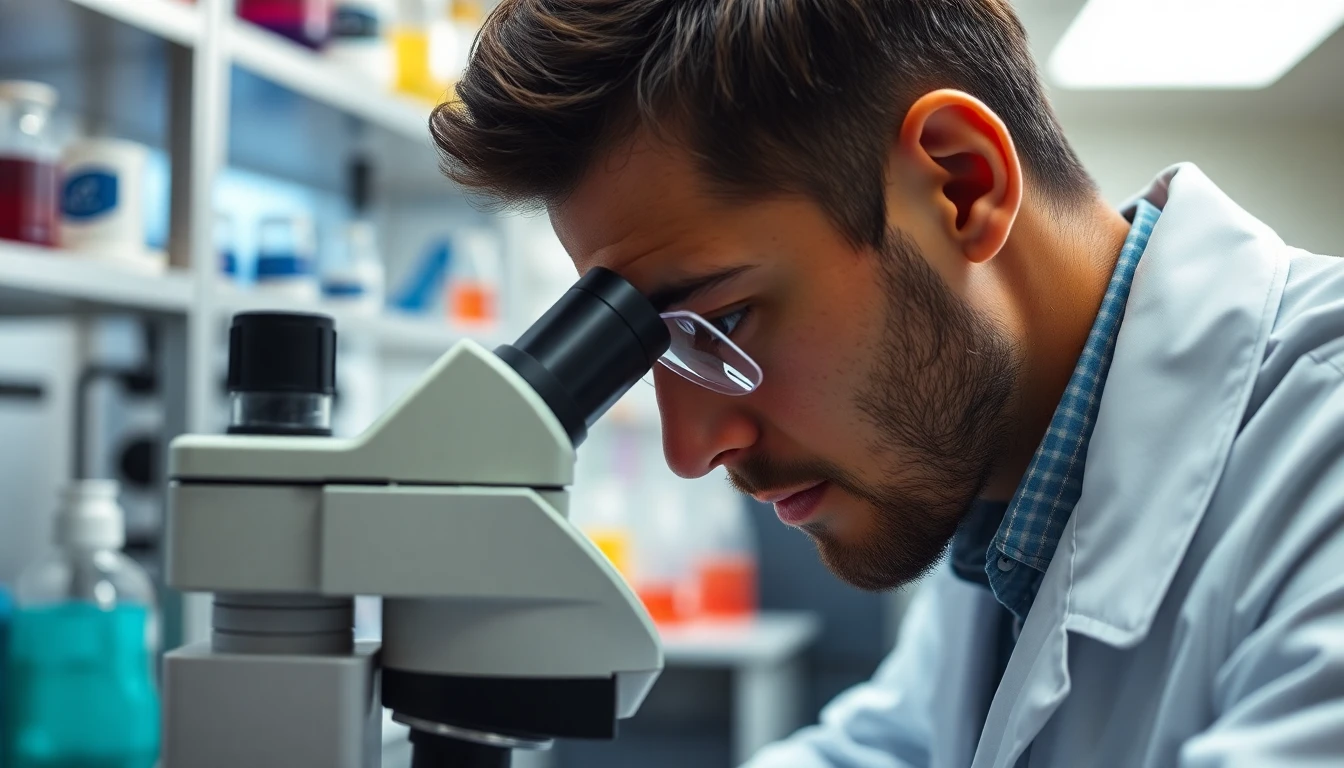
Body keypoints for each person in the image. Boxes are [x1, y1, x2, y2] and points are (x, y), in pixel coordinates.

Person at [429, 1, 1344, 765]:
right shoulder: (1001, 468)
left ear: (959, 183)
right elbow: (894, 749)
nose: (692, 447)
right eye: (661, 350)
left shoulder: (1320, 446)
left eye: (728, 320)